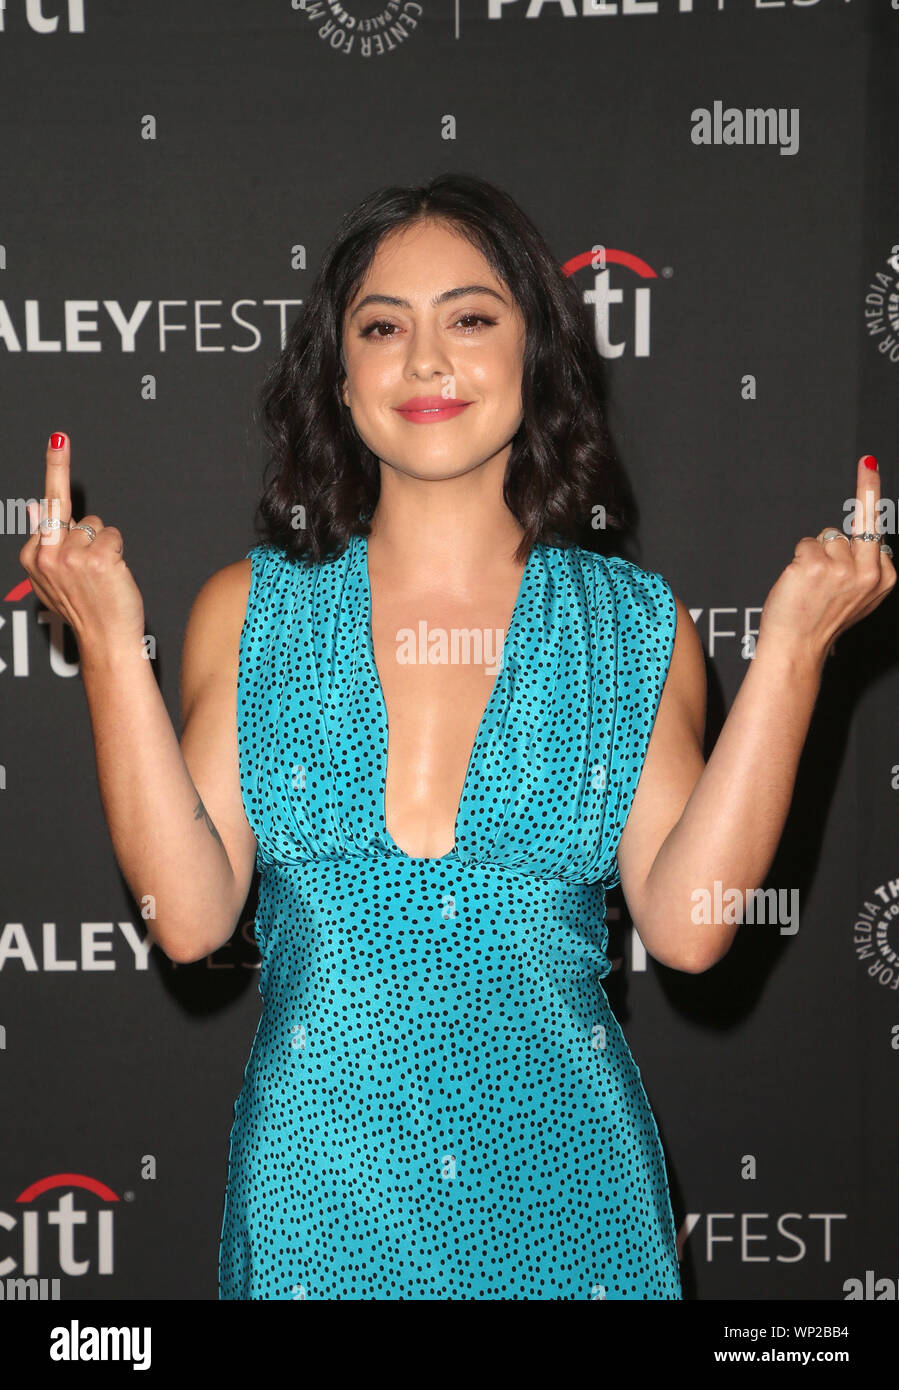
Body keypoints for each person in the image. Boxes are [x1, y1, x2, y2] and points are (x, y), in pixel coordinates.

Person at [19, 173, 895, 1300]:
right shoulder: (250, 610)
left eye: (470, 319)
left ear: (534, 356)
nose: (425, 362)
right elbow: (187, 920)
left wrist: (791, 652)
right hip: (317, 1200)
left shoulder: (628, 625)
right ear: (340, 379)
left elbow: (687, 931)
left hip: (571, 1203)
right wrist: (106, 641)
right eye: (382, 327)